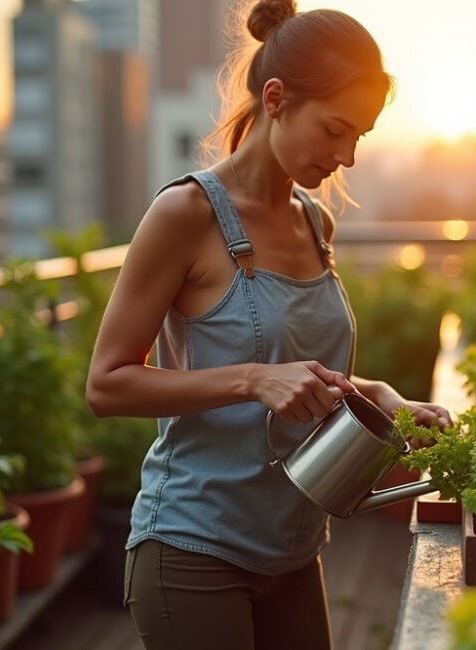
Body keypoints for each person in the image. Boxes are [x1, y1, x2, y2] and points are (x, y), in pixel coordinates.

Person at [85, 1, 451, 648]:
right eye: (336, 129)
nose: (349, 156)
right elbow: (108, 384)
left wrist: (380, 396)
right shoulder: (186, 214)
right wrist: (252, 379)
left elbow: (300, 373)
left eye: (360, 136)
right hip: (191, 552)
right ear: (276, 99)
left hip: (292, 554)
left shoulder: (316, 222)